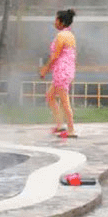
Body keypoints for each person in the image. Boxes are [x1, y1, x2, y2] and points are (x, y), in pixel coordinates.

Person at [39, 8, 78, 138]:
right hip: (65, 70)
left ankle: (71, 129)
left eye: (56, 19)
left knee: (64, 101)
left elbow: (55, 55)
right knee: (50, 96)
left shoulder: (62, 36)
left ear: (61, 22)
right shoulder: (69, 35)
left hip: (62, 71)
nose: (54, 22)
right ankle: (60, 124)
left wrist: (45, 68)